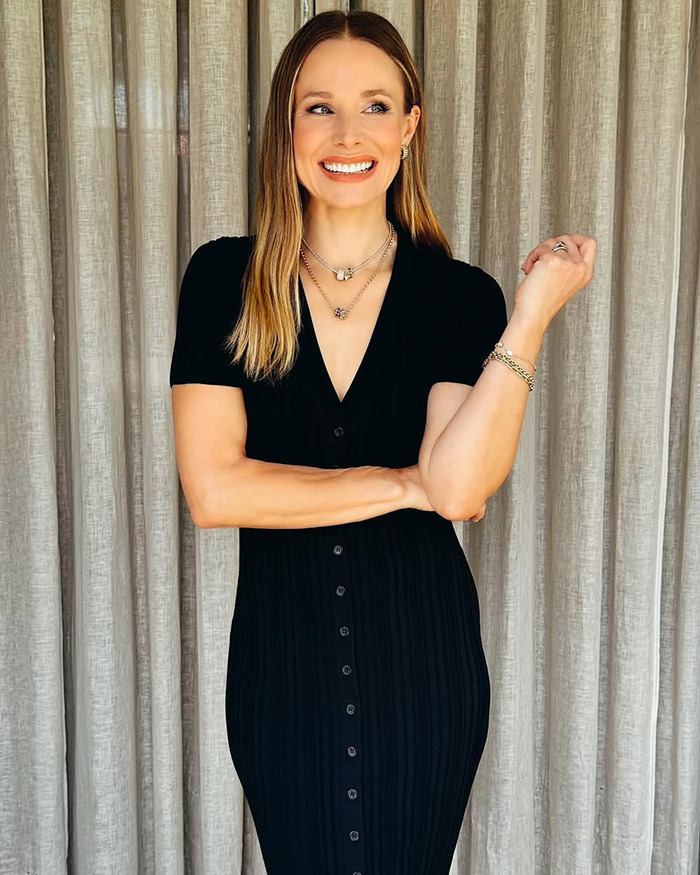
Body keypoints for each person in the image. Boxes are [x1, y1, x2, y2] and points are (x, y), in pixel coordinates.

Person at [169, 10, 596, 875]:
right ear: (285, 127)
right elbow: (216, 491)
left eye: (374, 105)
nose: (347, 133)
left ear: (410, 125)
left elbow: (465, 487)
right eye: (318, 107)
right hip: (281, 673)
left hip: (423, 669)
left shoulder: (457, 295)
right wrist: (407, 484)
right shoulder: (224, 279)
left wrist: (532, 314)